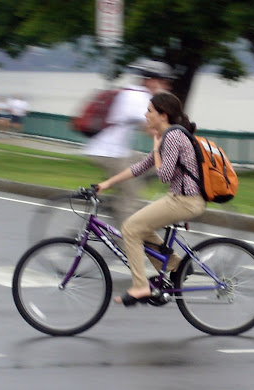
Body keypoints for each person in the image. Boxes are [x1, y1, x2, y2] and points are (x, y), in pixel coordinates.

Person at [97, 92, 207, 306]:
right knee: (141, 228)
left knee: (130, 228)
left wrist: (156, 150)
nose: (145, 115)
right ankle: (176, 265)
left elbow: (163, 175)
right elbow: (140, 167)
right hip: (179, 198)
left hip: (185, 201)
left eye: (150, 111)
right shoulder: (169, 136)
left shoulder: (173, 137)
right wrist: (107, 183)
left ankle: (140, 287)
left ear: (163, 115)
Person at [84, 59, 175, 227]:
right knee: (132, 197)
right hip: (108, 154)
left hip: (118, 152)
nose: (165, 87)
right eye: (163, 82)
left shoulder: (137, 94)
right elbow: (152, 130)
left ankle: (117, 205)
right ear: (150, 80)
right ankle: (126, 245)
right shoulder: (138, 97)